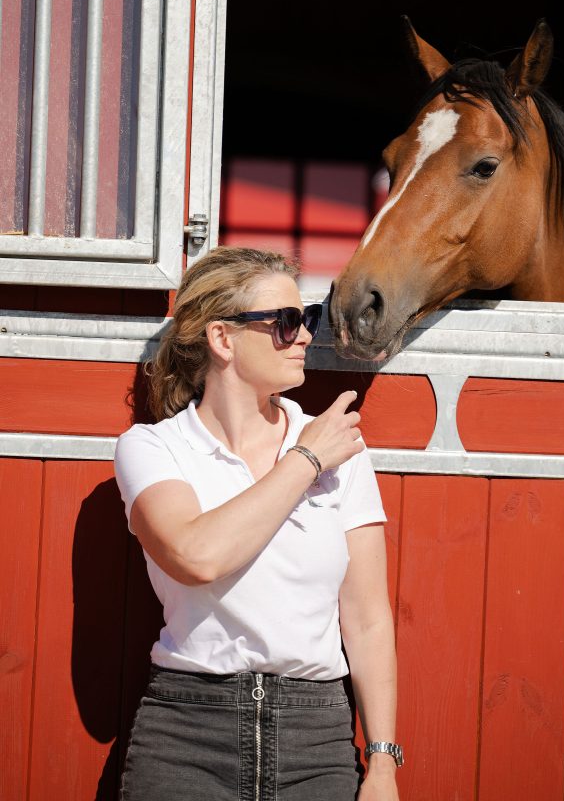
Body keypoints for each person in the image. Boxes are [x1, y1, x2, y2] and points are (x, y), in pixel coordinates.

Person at [114, 246, 402, 801]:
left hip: (315, 740)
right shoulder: (153, 448)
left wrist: (383, 764)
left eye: (307, 318)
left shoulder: (339, 447)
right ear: (222, 339)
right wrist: (305, 461)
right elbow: (196, 556)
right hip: (187, 735)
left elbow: (367, 620)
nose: (305, 336)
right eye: (287, 321)